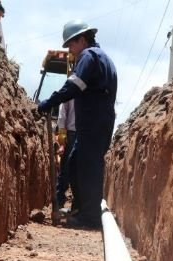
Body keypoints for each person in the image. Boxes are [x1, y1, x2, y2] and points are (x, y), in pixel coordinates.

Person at [37, 20, 117, 229]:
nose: (70, 51)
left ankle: (89, 218)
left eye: (71, 45)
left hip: (93, 122)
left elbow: (73, 86)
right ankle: (81, 209)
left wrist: (48, 103)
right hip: (97, 122)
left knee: (88, 168)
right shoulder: (103, 58)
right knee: (75, 163)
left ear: (82, 40)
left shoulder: (88, 57)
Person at [54, 99, 77, 217]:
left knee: (66, 171)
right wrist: (62, 141)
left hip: (72, 134)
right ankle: (76, 208)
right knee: (77, 173)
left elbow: (62, 116)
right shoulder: (90, 87)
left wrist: (62, 140)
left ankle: (58, 206)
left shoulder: (71, 87)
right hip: (80, 134)